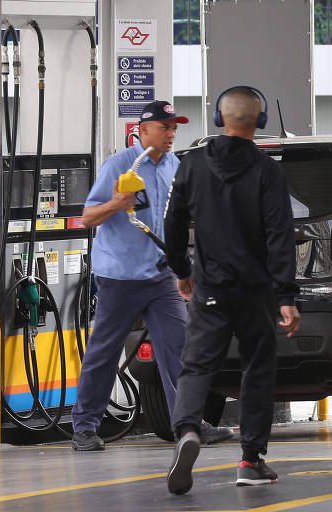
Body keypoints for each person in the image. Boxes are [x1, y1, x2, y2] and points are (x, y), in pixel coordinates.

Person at [71, 101, 232, 451]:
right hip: (120, 276)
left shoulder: (176, 166)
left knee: (181, 348)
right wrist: (115, 204)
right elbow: (87, 218)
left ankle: (189, 423)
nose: (172, 134)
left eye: (175, 127)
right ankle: (84, 427)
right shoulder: (118, 165)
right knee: (104, 350)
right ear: (142, 131)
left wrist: (184, 267)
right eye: (165, 127)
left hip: (160, 276)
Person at [163, 86, 300, 494]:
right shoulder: (267, 171)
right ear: (259, 122)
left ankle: (187, 429)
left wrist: (181, 268)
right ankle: (250, 460)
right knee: (256, 371)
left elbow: (173, 221)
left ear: (219, 119)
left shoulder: (192, 165)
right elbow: (280, 235)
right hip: (255, 293)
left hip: (210, 289)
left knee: (196, 365)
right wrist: (287, 296)